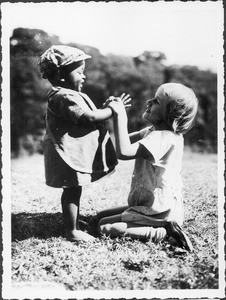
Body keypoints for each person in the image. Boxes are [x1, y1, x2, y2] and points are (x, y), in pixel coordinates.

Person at [38, 45, 130, 242]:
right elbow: (88, 117)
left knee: (74, 189)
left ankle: (74, 224)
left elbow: (90, 115)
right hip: (66, 155)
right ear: (62, 74)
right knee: (72, 189)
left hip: (69, 153)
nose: (84, 76)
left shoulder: (67, 95)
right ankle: (71, 231)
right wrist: (112, 110)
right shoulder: (63, 96)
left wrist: (106, 108)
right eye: (80, 72)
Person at [91, 83, 198, 251]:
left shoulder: (164, 138)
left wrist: (120, 116)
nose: (148, 101)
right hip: (149, 204)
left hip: (159, 212)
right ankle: (155, 227)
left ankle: (165, 234)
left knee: (104, 226)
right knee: (99, 217)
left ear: (170, 114)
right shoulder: (152, 132)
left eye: (156, 101)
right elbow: (118, 142)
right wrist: (108, 115)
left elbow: (124, 152)